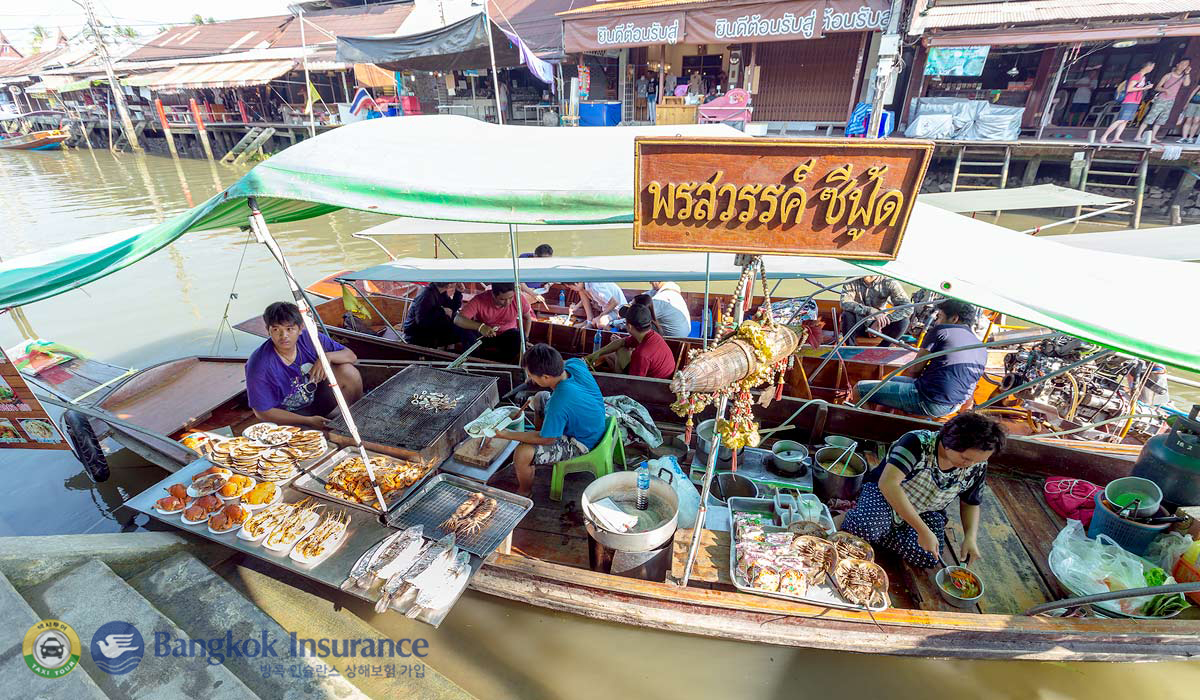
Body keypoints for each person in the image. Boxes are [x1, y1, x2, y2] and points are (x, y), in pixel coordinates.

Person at [841, 412, 1005, 568]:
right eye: (965, 458)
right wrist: (922, 530)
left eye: (978, 461)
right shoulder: (917, 442)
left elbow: (971, 502)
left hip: (927, 510)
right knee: (863, 527)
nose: (970, 465)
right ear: (949, 442)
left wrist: (970, 537)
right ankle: (874, 526)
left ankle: (879, 529)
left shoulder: (976, 464)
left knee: (928, 556)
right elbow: (888, 484)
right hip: (885, 496)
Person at [496, 344, 607, 498]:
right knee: (540, 396)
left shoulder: (560, 400)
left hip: (583, 442)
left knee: (522, 453)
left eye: (531, 375)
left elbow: (548, 439)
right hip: (596, 424)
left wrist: (506, 434)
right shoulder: (573, 364)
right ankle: (543, 438)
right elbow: (580, 362)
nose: (529, 378)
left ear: (546, 377)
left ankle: (525, 491)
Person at [852, 299, 986, 418]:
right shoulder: (981, 346)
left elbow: (914, 370)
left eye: (939, 317)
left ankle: (870, 430)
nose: (937, 321)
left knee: (859, 389)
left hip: (929, 400)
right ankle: (885, 421)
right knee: (891, 380)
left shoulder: (941, 330)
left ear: (954, 318)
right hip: (955, 404)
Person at [245, 302, 362, 429]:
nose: (283, 336)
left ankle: (349, 417)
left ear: (300, 329)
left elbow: (351, 356)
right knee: (317, 440)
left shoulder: (309, 339)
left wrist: (326, 357)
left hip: (317, 398)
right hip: (289, 416)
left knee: (348, 372)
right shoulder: (258, 365)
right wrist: (308, 421)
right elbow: (262, 412)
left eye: (289, 329)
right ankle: (320, 426)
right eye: (276, 329)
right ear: (268, 331)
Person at [586, 303, 675, 379]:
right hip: (659, 376)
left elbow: (633, 383)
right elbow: (621, 342)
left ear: (630, 326)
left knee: (618, 351)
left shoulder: (642, 354)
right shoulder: (650, 335)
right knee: (613, 353)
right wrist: (596, 354)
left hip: (654, 387)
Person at [453, 282, 532, 364]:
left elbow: (527, 318)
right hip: (484, 335)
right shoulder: (480, 299)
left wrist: (525, 339)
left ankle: (504, 364)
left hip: (507, 336)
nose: (507, 302)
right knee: (466, 332)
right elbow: (458, 319)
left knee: (518, 336)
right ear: (493, 295)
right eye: (502, 299)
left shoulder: (519, 298)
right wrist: (480, 327)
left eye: (510, 298)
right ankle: (474, 362)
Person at [839, 275, 912, 347]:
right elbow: (844, 303)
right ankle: (851, 348)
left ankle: (883, 348)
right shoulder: (851, 279)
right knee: (847, 315)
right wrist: (871, 311)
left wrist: (883, 321)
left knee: (904, 321)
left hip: (881, 327)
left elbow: (908, 307)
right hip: (858, 323)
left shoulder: (889, 282)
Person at [1136, 59, 1191, 144]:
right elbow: (1157, 87)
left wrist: (1187, 73)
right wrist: (1165, 90)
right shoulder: (1168, 75)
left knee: (1161, 120)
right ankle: (1138, 136)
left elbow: (1187, 84)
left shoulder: (1183, 77)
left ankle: (1153, 137)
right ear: (1177, 64)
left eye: (1186, 65)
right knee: (1150, 118)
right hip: (1161, 99)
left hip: (1171, 101)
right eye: (1182, 63)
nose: (1184, 66)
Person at [1101, 61, 1155, 144]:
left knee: (1125, 120)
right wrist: (1144, 88)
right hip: (1130, 100)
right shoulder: (1137, 76)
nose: (1152, 69)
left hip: (1135, 101)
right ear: (1147, 66)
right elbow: (1129, 89)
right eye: (1152, 67)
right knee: (1121, 119)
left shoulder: (1142, 77)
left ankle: (1116, 137)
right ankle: (1104, 136)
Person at [402, 282, 462, 349]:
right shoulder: (426, 295)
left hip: (428, 330)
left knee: (461, 331)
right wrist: (442, 311)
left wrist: (458, 292)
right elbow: (422, 321)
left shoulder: (439, 292)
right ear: (449, 285)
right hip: (416, 335)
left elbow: (452, 308)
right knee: (461, 333)